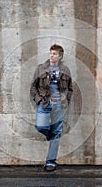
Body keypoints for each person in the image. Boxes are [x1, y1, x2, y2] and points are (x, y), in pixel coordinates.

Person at [30, 44, 73, 172]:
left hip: (59, 104)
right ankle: (50, 135)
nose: (51, 55)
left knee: (57, 133)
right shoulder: (41, 69)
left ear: (60, 56)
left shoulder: (65, 70)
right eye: (50, 53)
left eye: (54, 54)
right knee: (41, 126)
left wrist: (66, 100)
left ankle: (51, 162)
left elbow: (70, 88)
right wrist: (38, 100)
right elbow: (33, 87)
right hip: (45, 103)